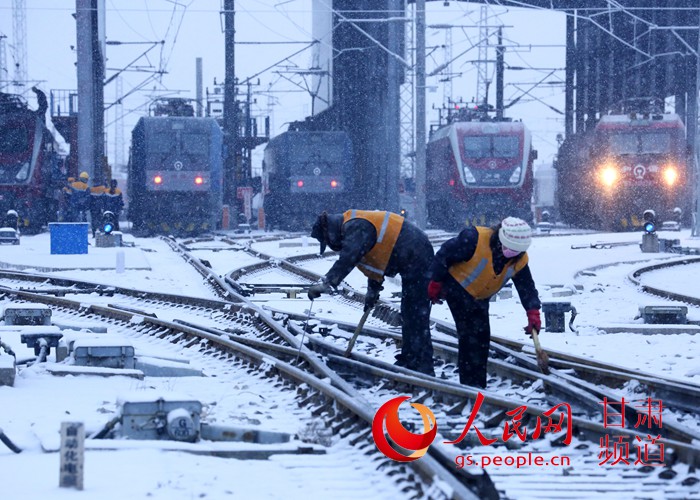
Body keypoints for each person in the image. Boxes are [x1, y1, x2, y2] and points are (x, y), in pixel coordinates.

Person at [307, 210, 435, 375]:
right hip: (410, 255)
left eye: (328, 243)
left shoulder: (355, 226)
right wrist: (372, 291)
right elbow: (375, 263)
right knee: (410, 312)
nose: (332, 246)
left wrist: (328, 283)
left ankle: (422, 366)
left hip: (417, 253)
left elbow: (349, 258)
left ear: (329, 234)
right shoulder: (353, 228)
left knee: (415, 313)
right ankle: (411, 359)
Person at [427, 217, 542, 388]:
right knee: (468, 337)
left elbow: (526, 286)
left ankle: (478, 384)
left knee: (482, 338)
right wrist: (435, 282)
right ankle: (470, 386)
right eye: (509, 249)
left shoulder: (518, 259)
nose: (512, 254)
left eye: (517, 251)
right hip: (456, 288)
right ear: (501, 238)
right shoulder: (474, 239)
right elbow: (444, 255)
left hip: (480, 296)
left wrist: (532, 311)